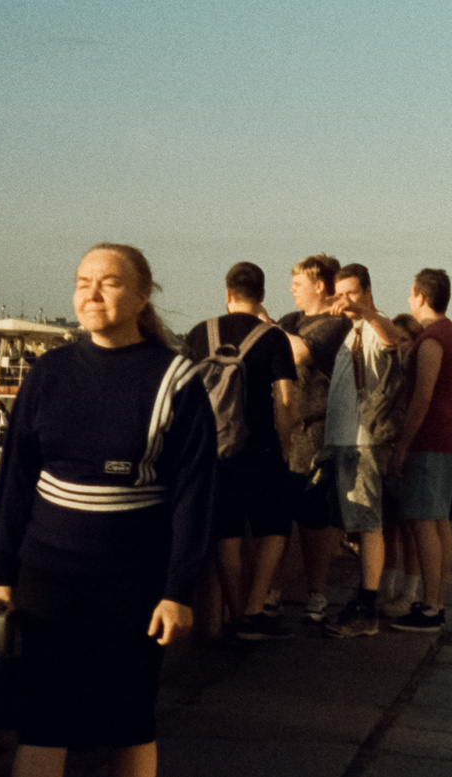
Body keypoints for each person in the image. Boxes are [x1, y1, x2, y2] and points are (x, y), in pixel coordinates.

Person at [0, 245, 215, 777]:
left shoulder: (176, 378)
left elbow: (195, 494)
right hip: (48, 575)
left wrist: (178, 591)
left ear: (141, 297)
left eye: (109, 282)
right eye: (82, 280)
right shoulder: (49, 372)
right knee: (44, 721)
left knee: (129, 719)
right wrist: (2, 573)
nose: (91, 292)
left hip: (132, 583)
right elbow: (15, 478)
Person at [181, 263, 297, 641]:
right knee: (275, 527)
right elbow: (285, 399)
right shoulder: (273, 337)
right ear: (261, 296)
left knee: (227, 532)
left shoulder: (200, 333)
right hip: (259, 445)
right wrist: (286, 443)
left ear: (228, 293)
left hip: (211, 450)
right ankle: (254, 609)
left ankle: (235, 615)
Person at [319, 264, 405, 638]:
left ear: (368, 291)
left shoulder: (374, 326)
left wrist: (367, 313)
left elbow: (393, 341)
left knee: (368, 523)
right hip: (343, 439)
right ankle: (362, 598)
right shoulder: (349, 331)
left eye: (352, 293)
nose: (345, 301)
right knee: (356, 523)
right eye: (340, 294)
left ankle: (367, 610)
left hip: (362, 442)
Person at [385, 269, 452, 633]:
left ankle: (432, 608)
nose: (407, 299)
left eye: (410, 293)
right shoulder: (451, 333)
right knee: (438, 523)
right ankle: (436, 601)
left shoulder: (433, 338)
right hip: (449, 439)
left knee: (423, 524)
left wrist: (403, 443)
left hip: (430, 441)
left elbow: (423, 395)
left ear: (421, 296)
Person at [277, 256, 350, 622]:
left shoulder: (336, 324)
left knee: (315, 519)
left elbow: (300, 352)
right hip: (285, 428)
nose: (291, 288)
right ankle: (272, 589)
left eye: (298, 282)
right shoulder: (290, 322)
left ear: (320, 285)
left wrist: (264, 326)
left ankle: (317, 593)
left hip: (316, 432)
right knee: (278, 514)